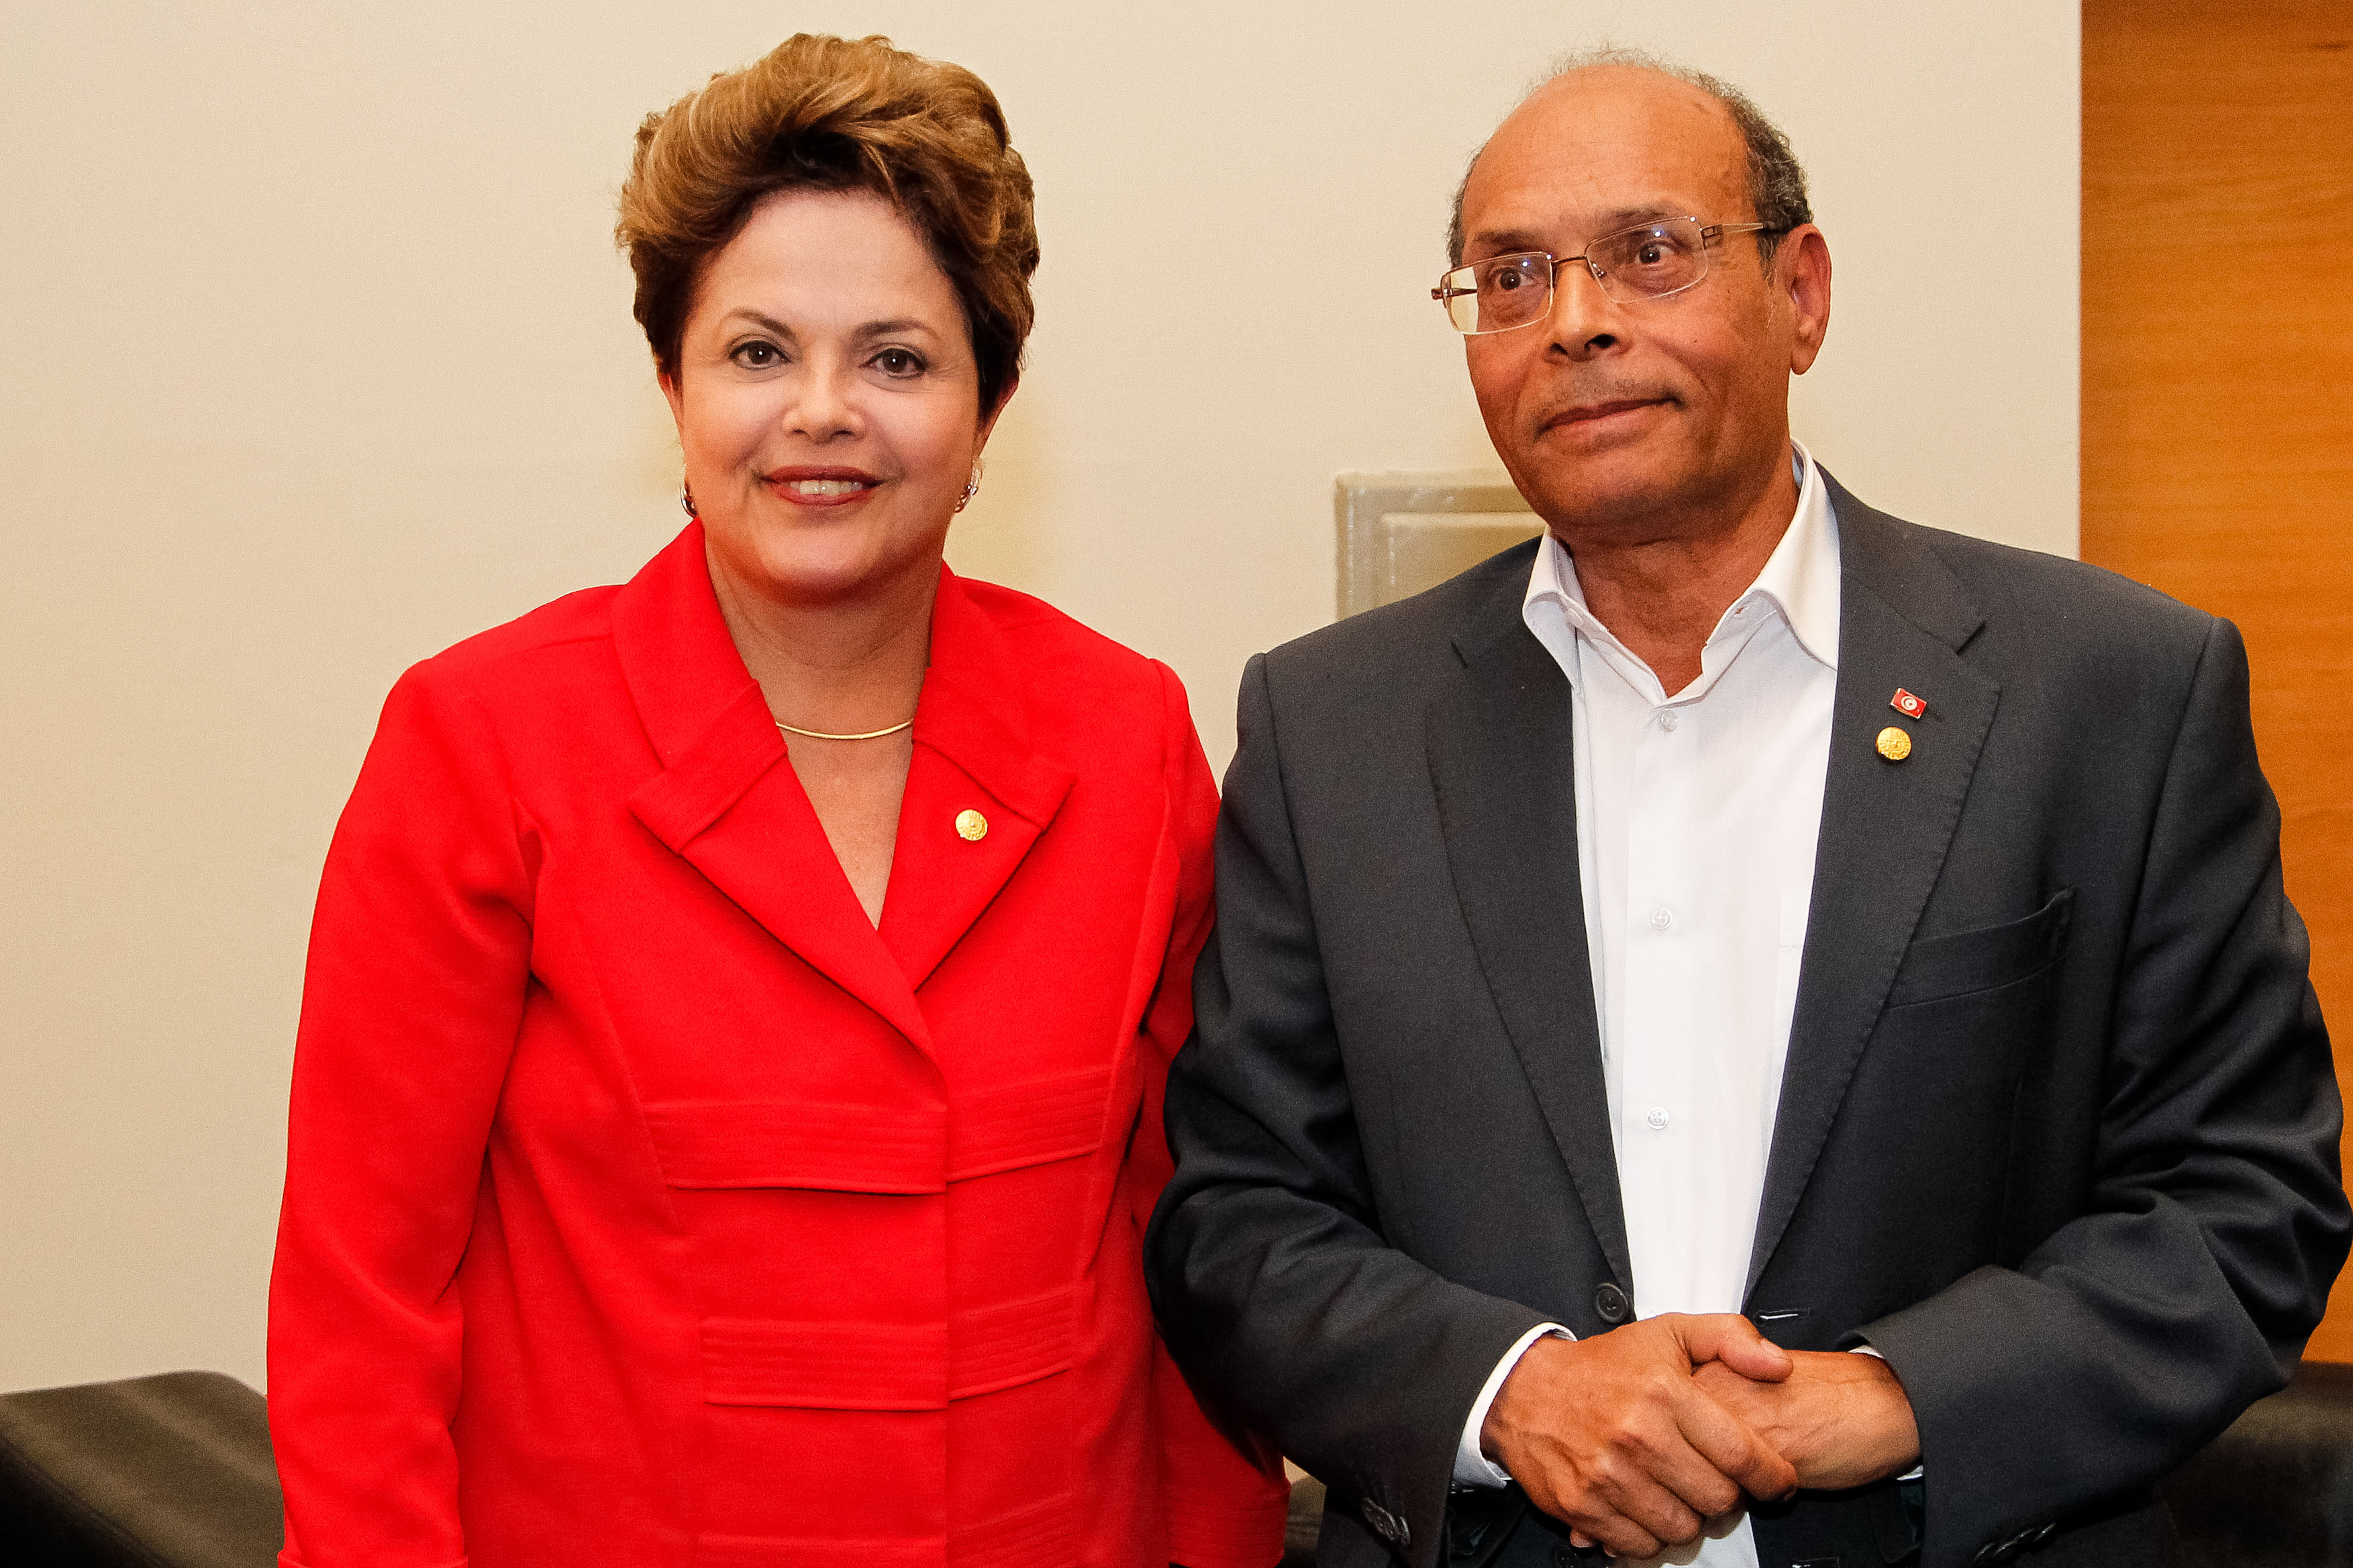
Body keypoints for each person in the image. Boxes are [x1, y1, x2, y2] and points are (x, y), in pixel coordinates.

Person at [1144, 48, 2348, 1568]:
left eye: (1649, 254)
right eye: (1509, 277)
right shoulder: (1331, 728)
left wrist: (1894, 1397)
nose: (1573, 320)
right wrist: (1516, 1395)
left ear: (1801, 294)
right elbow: (1239, 1221)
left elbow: (2245, 1202)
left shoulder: (2109, 691)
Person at [266, 34, 1287, 1568]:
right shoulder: (482, 740)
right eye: (757, 352)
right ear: (672, 385)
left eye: (896, 356)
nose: (823, 410)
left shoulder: (1125, 737)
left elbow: (1189, 1247)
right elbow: (365, 1302)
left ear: (987, 410)